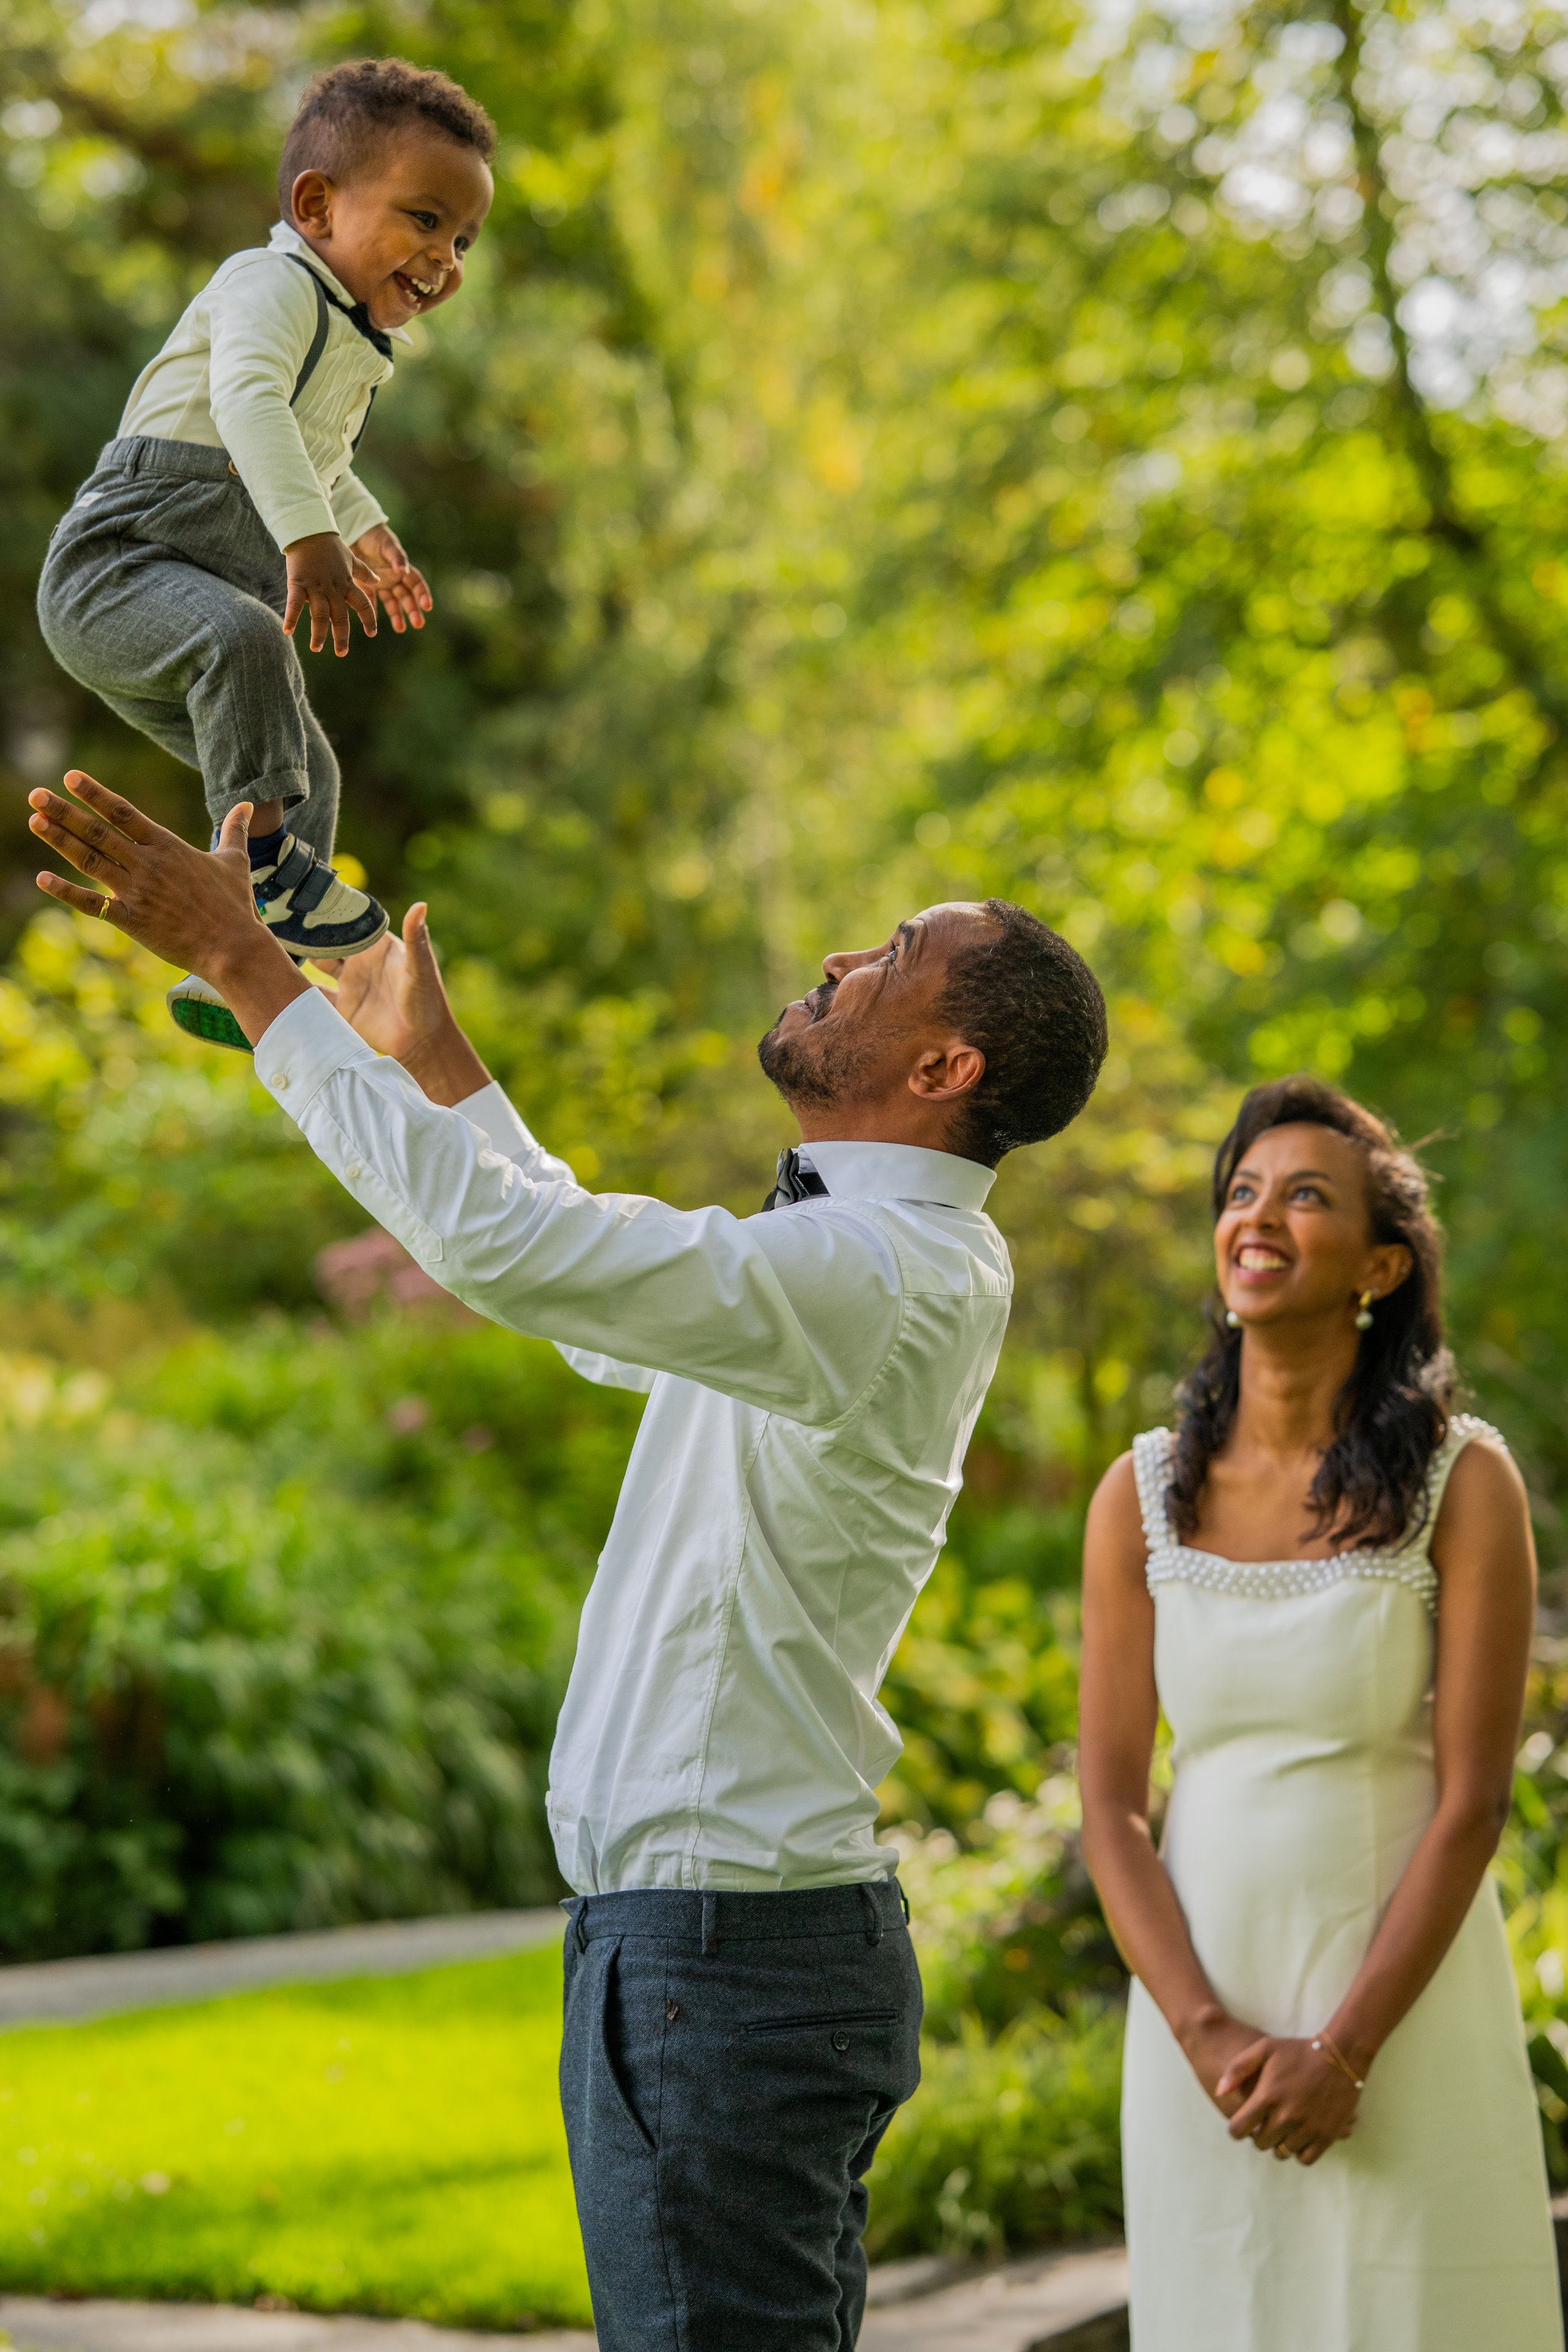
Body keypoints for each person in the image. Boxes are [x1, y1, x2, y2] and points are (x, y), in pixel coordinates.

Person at [23, 771, 1108, 2352]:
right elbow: (593, 1291)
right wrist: (438, 1063)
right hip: (702, 1952)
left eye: (888, 953)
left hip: (721, 1964)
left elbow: (520, 1255)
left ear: (946, 1064)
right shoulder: (856, 1263)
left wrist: (250, 971)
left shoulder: (882, 1272)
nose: (837, 960)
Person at [1078, 1075, 1562, 2352]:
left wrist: (1342, 2051)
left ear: (1381, 1265)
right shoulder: (1137, 1492)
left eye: (1304, 1196)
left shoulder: (1464, 1482)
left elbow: (1470, 1801)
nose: (1257, 1217)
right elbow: (1112, 1808)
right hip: (1202, 2037)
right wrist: (1200, 2030)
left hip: (1397, 2019)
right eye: (1240, 1193)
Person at [35, 59, 495, 1051]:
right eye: (424, 218)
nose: (446, 257)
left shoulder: (353, 342)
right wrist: (309, 539)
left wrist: (362, 527)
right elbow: (248, 406)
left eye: (462, 238)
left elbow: (312, 450)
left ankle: (252, 970)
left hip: (191, 594)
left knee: (305, 773)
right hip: (118, 569)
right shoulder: (271, 281)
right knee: (249, 638)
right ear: (317, 204)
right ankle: (265, 907)